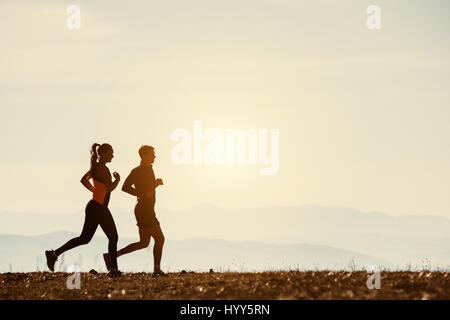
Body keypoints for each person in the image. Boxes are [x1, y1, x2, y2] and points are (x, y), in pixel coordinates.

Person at [45, 143, 122, 278]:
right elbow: (109, 187)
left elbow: (84, 180)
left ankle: (54, 254)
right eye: (111, 153)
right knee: (113, 237)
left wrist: (95, 191)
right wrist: (118, 180)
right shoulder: (103, 169)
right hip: (99, 207)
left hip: (94, 206)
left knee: (84, 238)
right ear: (103, 154)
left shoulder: (95, 167)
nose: (113, 155)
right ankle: (114, 270)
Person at [103, 145, 166, 277]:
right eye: (152, 154)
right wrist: (142, 193)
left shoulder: (148, 169)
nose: (155, 156)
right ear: (144, 155)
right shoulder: (138, 170)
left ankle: (111, 256)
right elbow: (125, 187)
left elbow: (147, 187)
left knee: (144, 243)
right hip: (144, 210)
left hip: (146, 209)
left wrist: (155, 183)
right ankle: (156, 270)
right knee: (159, 238)